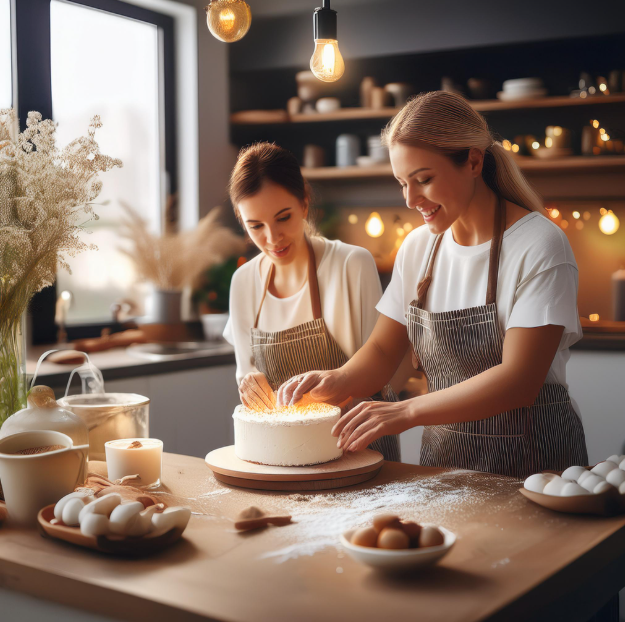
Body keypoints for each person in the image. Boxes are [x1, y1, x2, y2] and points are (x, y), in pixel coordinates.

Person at [277, 91, 588, 478]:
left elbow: (519, 381)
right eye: (401, 183)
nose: (410, 199)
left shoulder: (539, 244)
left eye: (423, 179)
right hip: (442, 469)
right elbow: (381, 349)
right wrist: (338, 379)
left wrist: (406, 411)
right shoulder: (419, 248)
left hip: (535, 472)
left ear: (473, 161)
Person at [223, 142, 400, 461]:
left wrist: (338, 389)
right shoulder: (244, 283)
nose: (272, 238)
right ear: (241, 220)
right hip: (283, 457)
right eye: (256, 226)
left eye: (283, 218)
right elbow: (246, 374)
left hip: (360, 449)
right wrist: (251, 387)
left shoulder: (351, 265)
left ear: (304, 203)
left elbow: (382, 371)